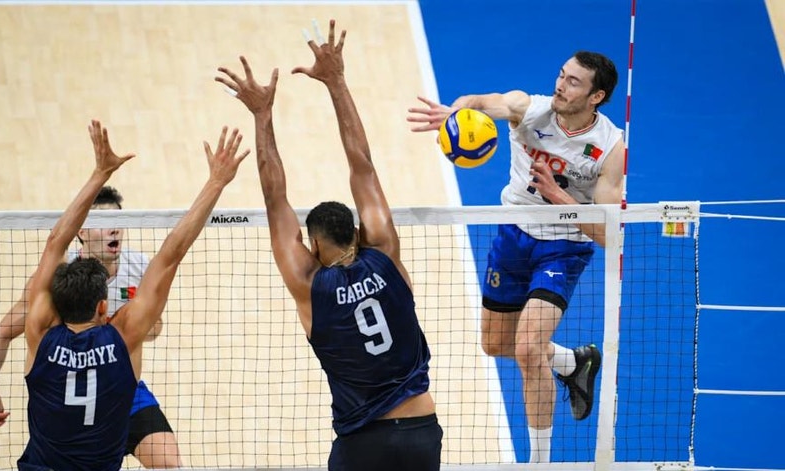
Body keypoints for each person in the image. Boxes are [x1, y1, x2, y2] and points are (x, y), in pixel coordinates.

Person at [215, 19, 443, 471]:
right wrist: (336, 82)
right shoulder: (384, 253)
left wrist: (262, 115)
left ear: (313, 244)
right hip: (422, 431)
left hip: (362, 442)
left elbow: (274, 197)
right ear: (357, 231)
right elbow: (363, 165)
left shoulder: (308, 284)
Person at [407, 51, 624, 462]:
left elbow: (609, 236)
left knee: (527, 349)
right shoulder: (530, 110)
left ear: (596, 97)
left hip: (563, 248)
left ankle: (538, 463)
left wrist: (560, 198)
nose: (561, 84)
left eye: (574, 82)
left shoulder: (609, 148)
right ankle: (573, 363)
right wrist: (454, 115)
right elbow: (477, 100)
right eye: (562, 75)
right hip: (513, 235)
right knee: (495, 344)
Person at [14, 120, 248, 470]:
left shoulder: (40, 332)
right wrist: (216, 182)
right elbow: (172, 254)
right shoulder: (123, 336)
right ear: (104, 306)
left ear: (55, 303)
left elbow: (55, 243)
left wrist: (99, 174)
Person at [0, 186, 183, 467]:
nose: (115, 231)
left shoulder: (138, 266)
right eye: (104, 225)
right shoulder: (59, 281)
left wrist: (117, 331)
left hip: (119, 386)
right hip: (70, 391)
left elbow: (155, 328)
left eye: (118, 223)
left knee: (168, 462)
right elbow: (3, 332)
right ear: (82, 233)